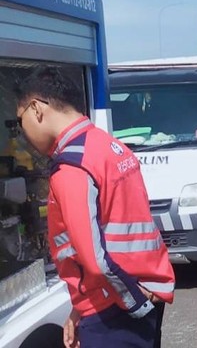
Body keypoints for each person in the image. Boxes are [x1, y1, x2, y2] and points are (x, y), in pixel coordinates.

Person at [14, 66, 175, 348]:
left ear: (36, 109)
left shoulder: (72, 168)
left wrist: (133, 304)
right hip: (141, 289)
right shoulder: (108, 146)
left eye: (20, 121)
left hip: (116, 307)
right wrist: (80, 306)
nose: (22, 132)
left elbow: (94, 258)